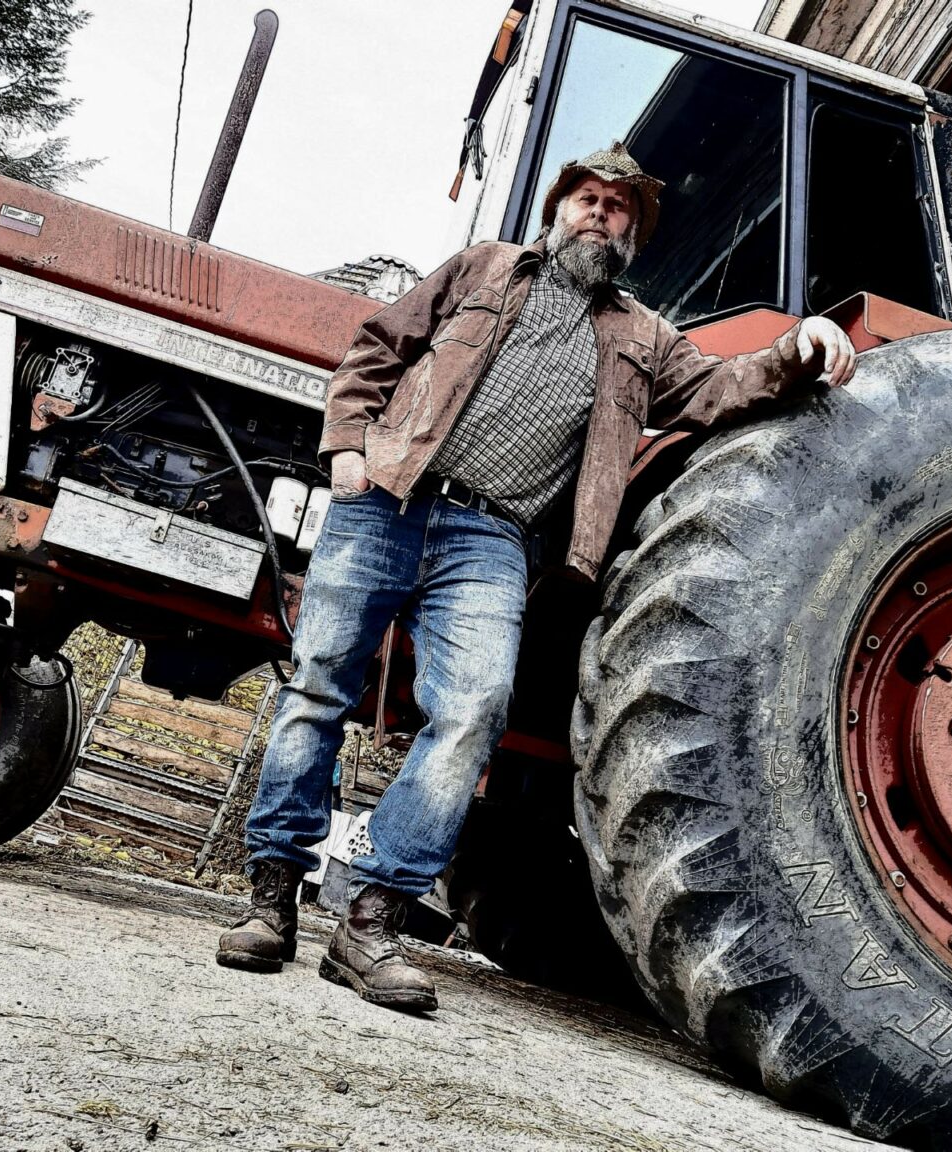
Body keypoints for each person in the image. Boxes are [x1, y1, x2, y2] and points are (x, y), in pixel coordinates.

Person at [215, 143, 857, 1011]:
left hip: (492, 538)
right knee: (319, 685)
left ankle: (367, 924)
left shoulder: (645, 338)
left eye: (618, 206)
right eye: (586, 198)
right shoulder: (482, 267)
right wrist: (348, 450)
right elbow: (377, 346)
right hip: (389, 501)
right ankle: (269, 902)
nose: (599, 212)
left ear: (635, 232)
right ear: (559, 210)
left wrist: (799, 347)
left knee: (474, 711)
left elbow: (719, 390)